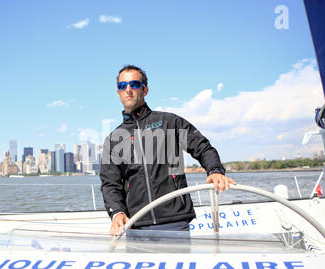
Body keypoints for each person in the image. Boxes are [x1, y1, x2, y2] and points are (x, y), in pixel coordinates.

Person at [100, 65, 235, 236]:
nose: (128, 90)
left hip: (175, 222)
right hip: (136, 225)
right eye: (122, 86)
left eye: (134, 84)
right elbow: (110, 184)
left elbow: (202, 147)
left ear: (145, 89)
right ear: (118, 92)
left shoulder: (169, 122)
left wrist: (215, 170)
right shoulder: (113, 139)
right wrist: (117, 212)